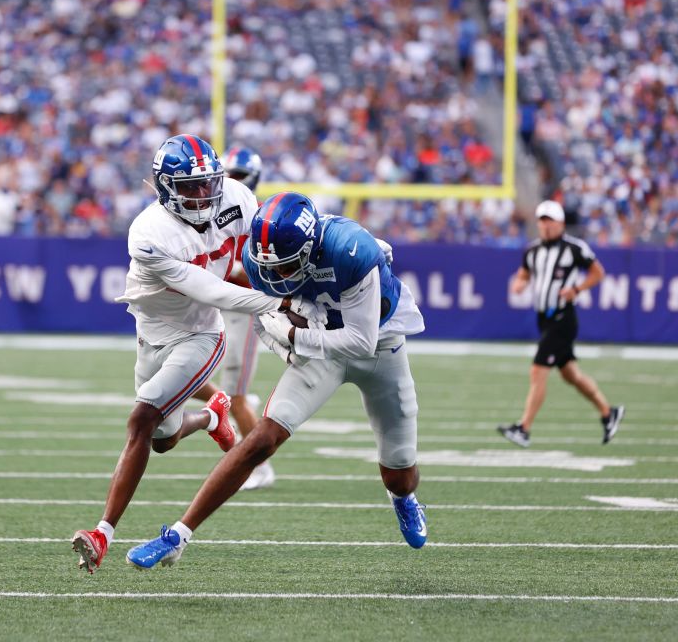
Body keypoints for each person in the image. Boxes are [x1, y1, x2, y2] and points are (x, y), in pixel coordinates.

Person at [126, 192, 429, 569]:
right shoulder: (261, 257)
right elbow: (264, 320)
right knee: (261, 440)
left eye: (287, 266)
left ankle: (403, 499)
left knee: (400, 476)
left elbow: (360, 341)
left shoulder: (352, 251)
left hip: (380, 348)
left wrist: (295, 337)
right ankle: (178, 535)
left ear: (311, 248)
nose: (277, 275)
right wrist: (286, 347)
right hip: (321, 352)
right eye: (272, 265)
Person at [71, 134, 290, 574]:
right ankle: (212, 415)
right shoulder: (150, 234)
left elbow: (260, 253)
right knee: (163, 439)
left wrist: (289, 293)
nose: (203, 193)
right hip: (152, 334)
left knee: (140, 419)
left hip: (200, 335)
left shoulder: (237, 198)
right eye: (189, 187)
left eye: (207, 183)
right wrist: (274, 302)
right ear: (166, 188)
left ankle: (102, 533)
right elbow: (208, 286)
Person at [497, 200, 623, 448]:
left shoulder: (574, 248)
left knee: (538, 370)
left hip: (563, 318)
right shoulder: (532, 251)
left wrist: (577, 288)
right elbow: (523, 274)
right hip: (544, 318)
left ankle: (524, 428)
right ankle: (609, 412)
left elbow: (598, 272)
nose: (545, 225)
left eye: (549, 220)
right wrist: (518, 284)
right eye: (541, 220)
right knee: (571, 375)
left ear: (561, 223)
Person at [216, 146, 276, 491]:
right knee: (198, 382)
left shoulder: (258, 215)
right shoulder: (215, 210)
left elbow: (261, 274)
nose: (231, 182)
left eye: (237, 176)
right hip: (218, 310)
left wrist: (231, 268)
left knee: (234, 397)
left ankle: (261, 466)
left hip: (243, 311)